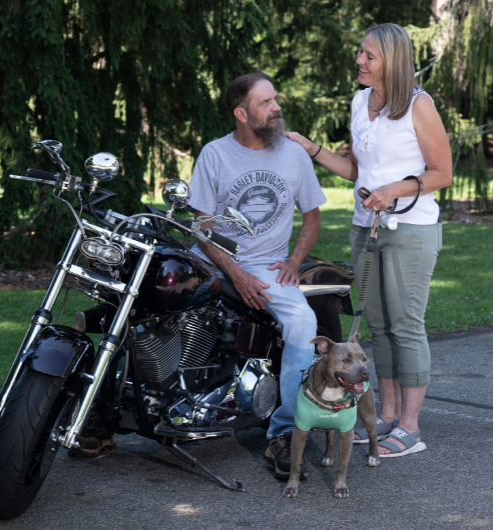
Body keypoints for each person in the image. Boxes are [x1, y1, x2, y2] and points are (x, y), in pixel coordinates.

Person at [287, 23, 452, 457]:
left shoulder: (419, 105)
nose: (359, 61)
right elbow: (357, 170)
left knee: (406, 326)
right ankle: (385, 415)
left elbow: (442, 173)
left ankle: (410, 427)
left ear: (392, 62)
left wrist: (393, 190)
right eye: (360, 53)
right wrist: (312, 149)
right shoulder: (360, 102)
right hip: (366, 227)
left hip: (411, 229)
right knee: (377, 327)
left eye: (369, 56)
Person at [188, 72, 327, 479]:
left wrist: (293, 259)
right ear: (241, 113)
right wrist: (235, 272)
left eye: (275, 99)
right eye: (266, 103)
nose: (276, 108)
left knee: (303, 322)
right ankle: (103, 415)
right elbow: (201, 229)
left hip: (268, 265)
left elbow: (312, 217)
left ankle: (284, 434)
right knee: (150, 298)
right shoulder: (215, 154)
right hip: (213, 258)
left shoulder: (294, 154)